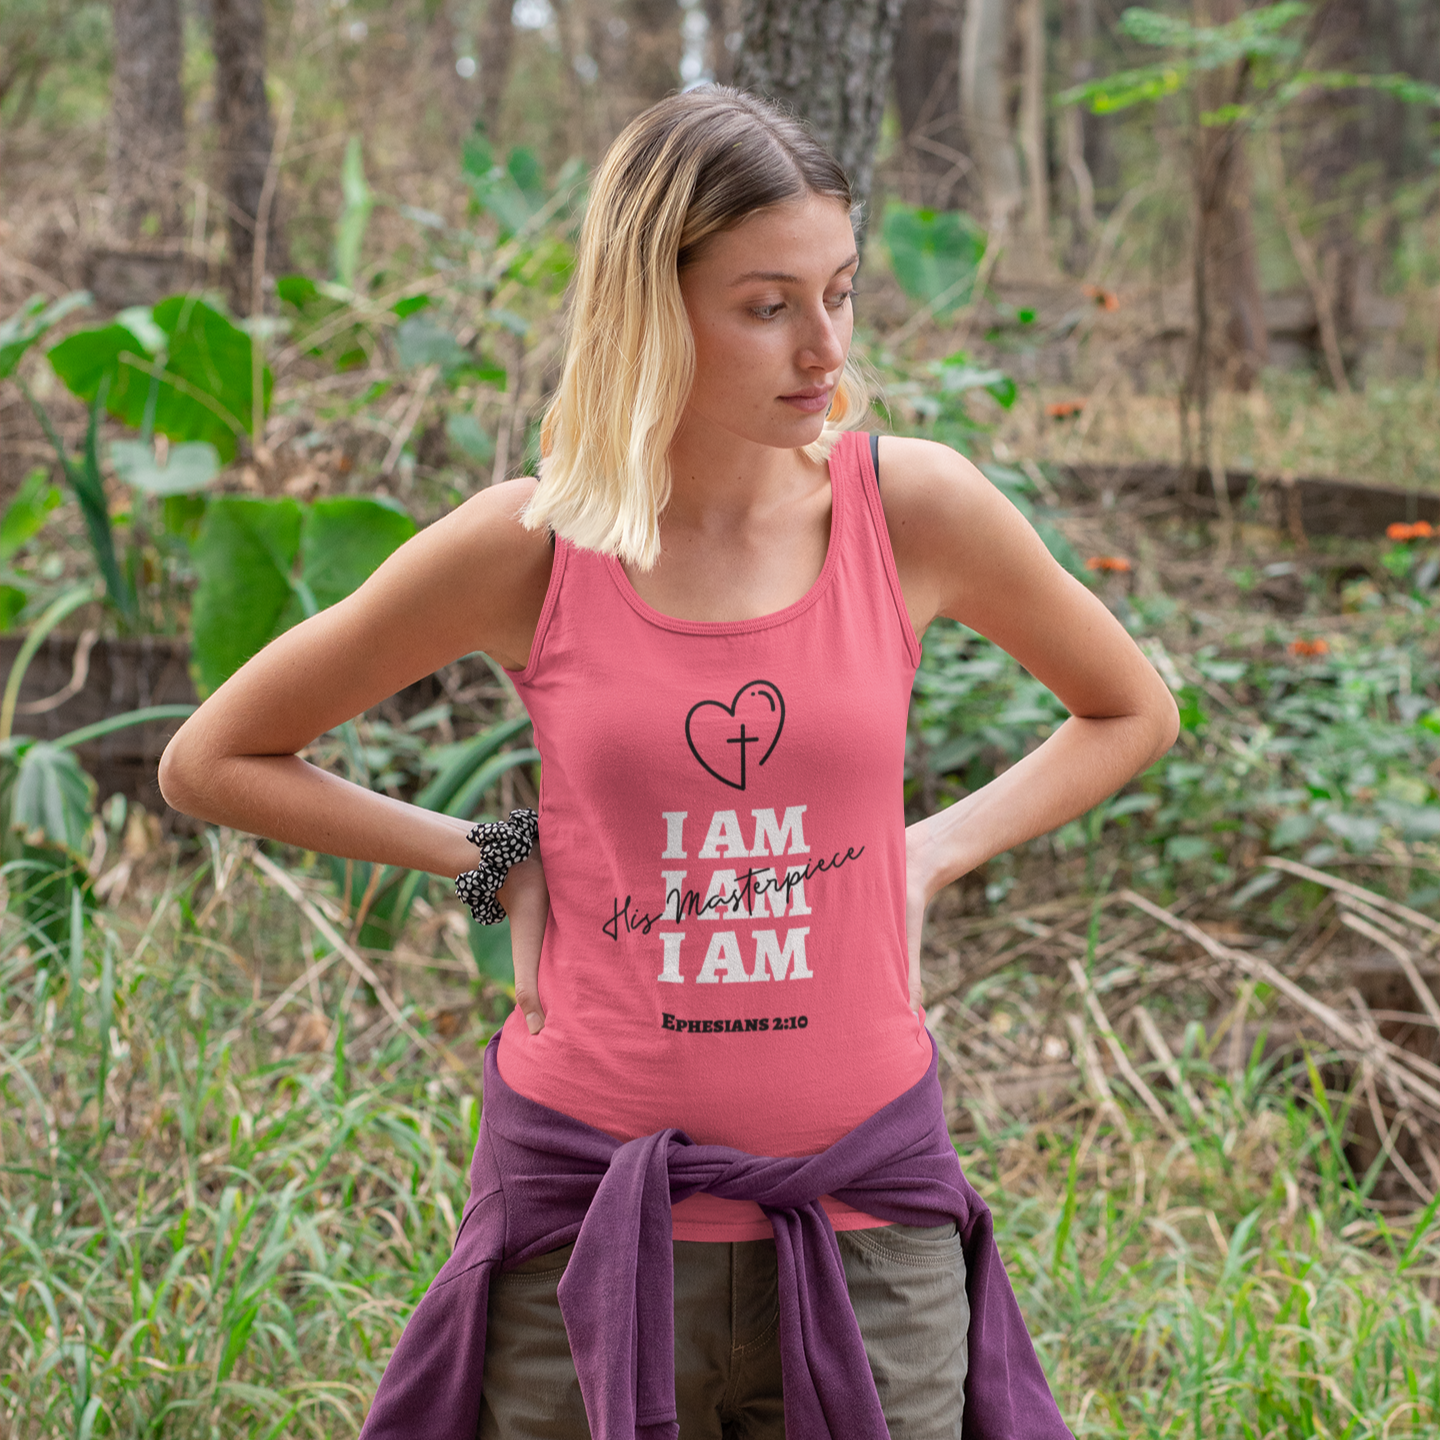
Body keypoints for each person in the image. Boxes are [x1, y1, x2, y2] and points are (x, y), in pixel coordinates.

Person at [160, 87, 1177, 1440]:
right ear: (649, 308)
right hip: (592, 1223)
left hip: (865, 1223)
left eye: (843, 293)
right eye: (768, 305)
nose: (825, 348)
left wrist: (930, 853)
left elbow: (1130, 710)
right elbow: (215, 757)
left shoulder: (912, 510)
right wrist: (492, 859)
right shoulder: (530, 548)